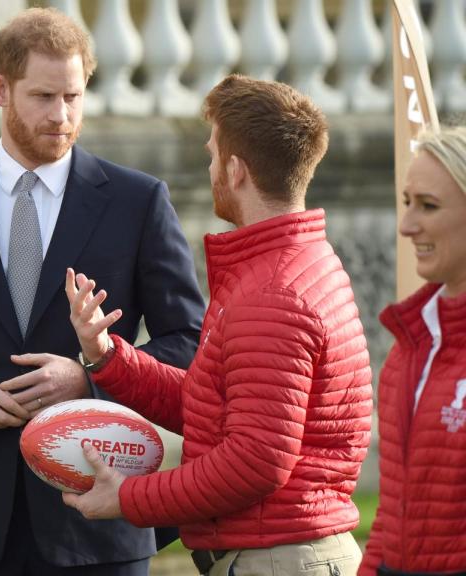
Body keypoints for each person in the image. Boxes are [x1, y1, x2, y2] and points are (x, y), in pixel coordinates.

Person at [0, 7, 204, 575]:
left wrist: (93, 374)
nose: (62, 115)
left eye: (74, 97)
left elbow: (190, 341)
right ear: (1, 90)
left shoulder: (138, 202)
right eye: (44, 96)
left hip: (98, 513)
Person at [62, 74, 374, 576]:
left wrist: (129, 497)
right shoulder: (290, 263)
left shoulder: (272, 290)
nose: (208, 168)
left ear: (235, 170)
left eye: (211, 155)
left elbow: (254, 462)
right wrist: (108, 357)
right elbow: (216, 413)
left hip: (276, 560)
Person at [358, 127, 466, 576]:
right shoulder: (409, 344)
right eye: (407, 202)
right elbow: (392, 513)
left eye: (429, 206)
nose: (406, 225)